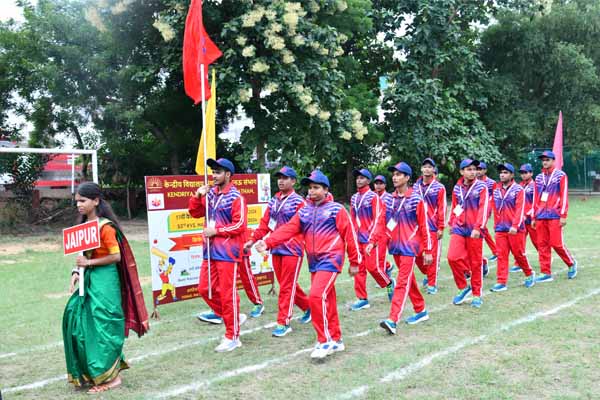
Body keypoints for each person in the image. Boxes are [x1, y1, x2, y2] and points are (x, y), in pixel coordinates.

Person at [255, 170, 361, 359]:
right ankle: (336, 339)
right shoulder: (304, 211)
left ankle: (324, 340)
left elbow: (350, 236)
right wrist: (268, 242)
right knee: (328, 300)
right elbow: (289, 229)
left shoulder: (336, 210)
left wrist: (354, 261)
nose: (312, 191)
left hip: (331, 259)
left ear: (326, 189)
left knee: (316, 296)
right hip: (314, 262)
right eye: (310, 188)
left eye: (316, 188)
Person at [63, 182, 149, 393]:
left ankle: (112, 377)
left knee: (105, 325)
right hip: (89, 277)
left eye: (83, 201)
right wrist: (76, 271)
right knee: (77, 321)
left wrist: (88, 264)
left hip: (105, 280)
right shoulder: (83, 227)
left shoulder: (106, 227)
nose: (79, 206)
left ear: (96, 201)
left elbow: (116, 256)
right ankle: (91, 371)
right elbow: (82, 256)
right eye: (77, 202)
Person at [188, 158, 248, 352]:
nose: (214, 176)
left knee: (227, 293)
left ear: (228, 175)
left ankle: (233, 336)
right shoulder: (210, 194)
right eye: (213, 172)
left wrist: (217, 231)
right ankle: (234, 317)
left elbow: (240, 225)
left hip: (228, 252)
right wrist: (197, 196)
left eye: (218, 172)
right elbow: (195, 213)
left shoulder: (236, 197)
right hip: (209, 251)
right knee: (205, 289)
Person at [245, 166, 311, 337]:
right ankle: (308, 307)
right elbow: (265, 223)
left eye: (285, 178)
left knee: (287, 287)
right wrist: (252, 240)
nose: (281, 181)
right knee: (287, 285)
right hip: (276, 249)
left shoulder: (299, 202)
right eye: (279, 177)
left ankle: (284, 321)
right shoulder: (274, 200)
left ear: (293, 181)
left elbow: (304, 227)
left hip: (292, 249)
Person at [379, 162, 432, 335]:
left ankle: (393, 320)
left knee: (402, 282)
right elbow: (384, 224)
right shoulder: (389, 199)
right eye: (393, 174)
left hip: (410, 247)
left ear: (407, 178)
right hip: (395, 247)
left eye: (399, 174)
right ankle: (421, 309)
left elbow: (424, 227)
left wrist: (428, 250)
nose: (395, 177)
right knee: (410, 281)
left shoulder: (416, 199)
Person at [349, 168, 393, 311]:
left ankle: (388, 282)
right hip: (358, 239)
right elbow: (353, 219)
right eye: (357, 178)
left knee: (373, 267)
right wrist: (352, 236)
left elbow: (379, 220)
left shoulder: (374, 198)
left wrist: (372, 239)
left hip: (373, 239)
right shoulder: (354, 198)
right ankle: (362, 299)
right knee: (359, 269)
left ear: (368, 181)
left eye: (362, 178)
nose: (359, 180)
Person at [447, 159, 489, 308]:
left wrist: (478, 227)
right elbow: (457, 206)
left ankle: (477, 294)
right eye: (469, 169)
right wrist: (452, 221)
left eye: (474, 169)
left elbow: (484, 208)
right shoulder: (457, 187)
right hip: (459, 227)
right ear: (461, 172)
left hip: (474, 229)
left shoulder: (482, 187)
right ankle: (464, 287)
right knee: (452, 257)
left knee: (475, 262)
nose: (472, 172)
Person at [489, 163, 536, 292]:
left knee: (518, 254)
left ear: (512, 175)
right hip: (500, 229)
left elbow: (520, 209)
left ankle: (529, 273)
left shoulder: (518, 189)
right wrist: (496, 224)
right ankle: (501, 281)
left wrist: (515, 225)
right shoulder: (496, 190)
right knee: (502, 255)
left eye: (505, 172)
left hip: (516, 230)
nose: (502, 175)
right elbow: (494, 207)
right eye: (501, 172)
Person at [532, 151, 577, 282]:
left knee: (556, 244)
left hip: (555, 215)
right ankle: (545, 272)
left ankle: (571, 263)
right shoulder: (539, 177)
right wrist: (534, 216)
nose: (545, 162)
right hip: (540, 216)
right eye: (543, 160)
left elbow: (563, 195)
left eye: (547, 159)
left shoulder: (561, 176)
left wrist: (563, 215)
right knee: (542, 244)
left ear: (553, 161)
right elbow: (536, 198)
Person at [414, 158, 447, 294]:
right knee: (416, 254)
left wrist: (441, 227)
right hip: (417, 228)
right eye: (424, 167)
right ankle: (429, 274)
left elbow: (442, 208)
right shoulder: (416, 187)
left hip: (432, 227)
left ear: (433, 170)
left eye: (430, 167)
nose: (427, 169)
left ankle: (432, 284)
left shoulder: (439, 187)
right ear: (421, 169)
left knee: (432, 256)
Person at [510, 163, 538, 272]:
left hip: (531, 219)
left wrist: (530, 214)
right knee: (519, 242)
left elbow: (537, 202)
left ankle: (545, 258)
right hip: (520, 220)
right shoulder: (519, 186)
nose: (523, 175)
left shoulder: (535, 186)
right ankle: (518, 263)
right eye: (521, 173)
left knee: (537, 241)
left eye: (525, 172)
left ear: (531, 173)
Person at [373, 175, 394, 278]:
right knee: (373, 256)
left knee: (380, 255)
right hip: (373, 232)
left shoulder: (389, 198)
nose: (378, 185)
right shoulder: (371, 197)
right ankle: (388, 266)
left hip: (384, 231)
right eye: (376, 183)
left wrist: (389, 232)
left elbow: (394, 217)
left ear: (385, 185)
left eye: (380, 183)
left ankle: (383, 275)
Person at [477, 161, 497, 267]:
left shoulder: (491, 182)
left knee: (482, 229)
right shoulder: (473, 182)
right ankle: (495, 251)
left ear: (485, 171)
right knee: (483, 230)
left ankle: (495, 251)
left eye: (480, 169)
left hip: (485, 209)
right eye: (477, 169)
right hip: (476, 210)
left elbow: (494, 197)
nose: (478, 171)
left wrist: (489, 210)